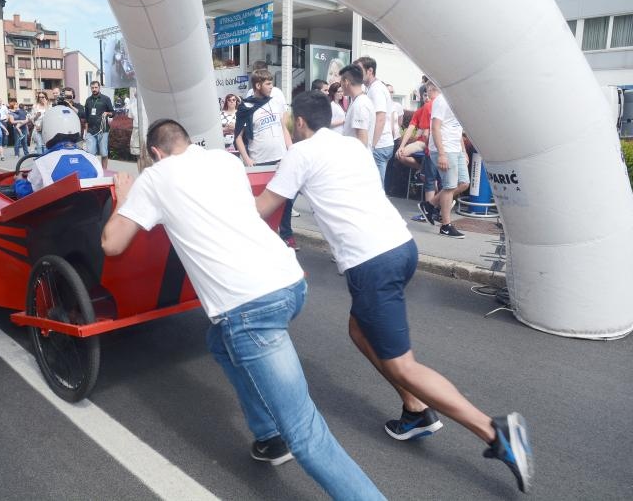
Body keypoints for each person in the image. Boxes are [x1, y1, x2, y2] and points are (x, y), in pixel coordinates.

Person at [255, 91, 534, 494]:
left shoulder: (301, 153)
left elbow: (264, 207)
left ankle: (496, 432)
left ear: (299, 123)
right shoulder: (351, 145)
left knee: (403, 364)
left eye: (289, 122)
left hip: (371, 264)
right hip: (400, 249)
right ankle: (416, 410)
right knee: (359, 330)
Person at [101, 118, 386, 501]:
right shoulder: (225, 161)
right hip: (290, 283)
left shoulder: (154, 179)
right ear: (187, 140)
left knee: (305, 433)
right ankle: (267, 435)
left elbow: (112, 244)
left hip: (250, 309)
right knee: (219, 341)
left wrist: (123, 198)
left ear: (154, 152)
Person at [234, 68, 298, 250]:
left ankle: (286, 235)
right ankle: (260, 240)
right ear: (258, 85)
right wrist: (247, 159)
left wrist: (290, 149)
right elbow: (238, 136)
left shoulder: (276, 102)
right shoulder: (245, 107)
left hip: (281, 159)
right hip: (259, 163)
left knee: (286, 202)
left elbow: (284, 128)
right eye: (268, 84)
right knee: (262, 205)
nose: (271, 87)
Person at [13, 105, 104, 198]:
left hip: (53, 211)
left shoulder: (42, 162)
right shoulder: (94, 159)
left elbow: (25, 194)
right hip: (90, 210)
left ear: (47, 128)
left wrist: (19, 181)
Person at [418, 85, 470, 238]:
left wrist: (464, 151)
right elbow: (435, 127)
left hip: (456, 149)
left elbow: (457, 129)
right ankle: (445, 226)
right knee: (449, 186)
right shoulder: (441, 100)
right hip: (445, 149)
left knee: (464, 183)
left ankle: (430, 204)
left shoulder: (457, 101)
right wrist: (441, 154)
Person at [355, 57, 396, 186]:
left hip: (379, 145)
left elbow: (381, 118)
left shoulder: (376, 89)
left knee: (375, 186)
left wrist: (371, 145)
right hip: (381, 143)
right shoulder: (372, 88)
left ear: (370, 71)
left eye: (359, 70)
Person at [338, 64, 375, 150]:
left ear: (346, 82)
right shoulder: (359, 101)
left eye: (341, 83)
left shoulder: (360, 105)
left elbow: (362, 141)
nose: (341, 86)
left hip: (357, 160)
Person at [84, 80, 115, 169]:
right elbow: (86, 117)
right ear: (90, 88)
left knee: (104, 153)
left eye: (96, 87)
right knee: (90, 153)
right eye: (92, 88)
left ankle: (104, 171)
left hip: (103, 130)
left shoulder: (106, 99)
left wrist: (107, 113)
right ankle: (94, 171)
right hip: (91, 131)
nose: (94, 89)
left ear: (99, 88)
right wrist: (86, 132)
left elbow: (113, 113)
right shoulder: (88, 100)